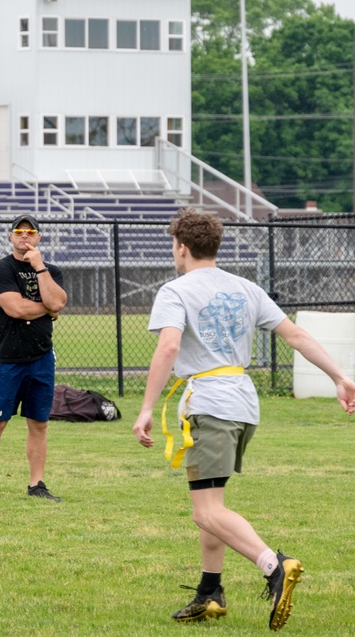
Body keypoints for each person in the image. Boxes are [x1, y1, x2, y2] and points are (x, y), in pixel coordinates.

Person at [132, 208, 355, 630]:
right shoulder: (246, 288)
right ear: (214, 246)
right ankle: (210, 593)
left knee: (205, 511)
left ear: (181, 247)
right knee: (213, 501)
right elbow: (297, 335)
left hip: (210, 404)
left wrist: (145, 408)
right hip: (242, 404)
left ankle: (275, 565)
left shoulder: (175, 290)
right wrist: (340, 377)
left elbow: (167, 349)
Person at [0, 214, 67, 502]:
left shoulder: (50, 270)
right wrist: (48, 308)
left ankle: (37, 484)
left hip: (42, 357)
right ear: (10, 236)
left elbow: (59, 301)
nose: (24, 236)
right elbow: (16, 308)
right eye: (19, 231)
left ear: (38, 238)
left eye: (30, 232)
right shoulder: (0, 270)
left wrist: (39, 267)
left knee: (39, 423)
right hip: (9, 359)